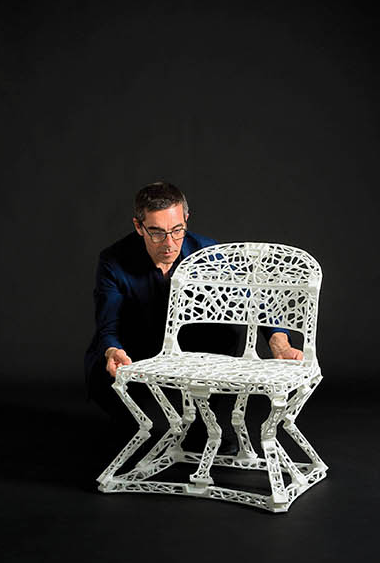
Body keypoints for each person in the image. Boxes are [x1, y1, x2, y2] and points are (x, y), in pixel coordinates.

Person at [83, 182, 302, 440]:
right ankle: (128, 423)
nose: (169, 243)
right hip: (133, 349)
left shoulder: (206, 251)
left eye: (177, 230)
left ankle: (203, 428)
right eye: (156, 232)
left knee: (228, 332)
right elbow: (108, 327)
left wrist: (279, 341)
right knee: (130, 428)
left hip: (185, 347)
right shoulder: (113, 260)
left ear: (186, 219)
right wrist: (112, 351)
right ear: (138, 226)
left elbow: (253, 296)